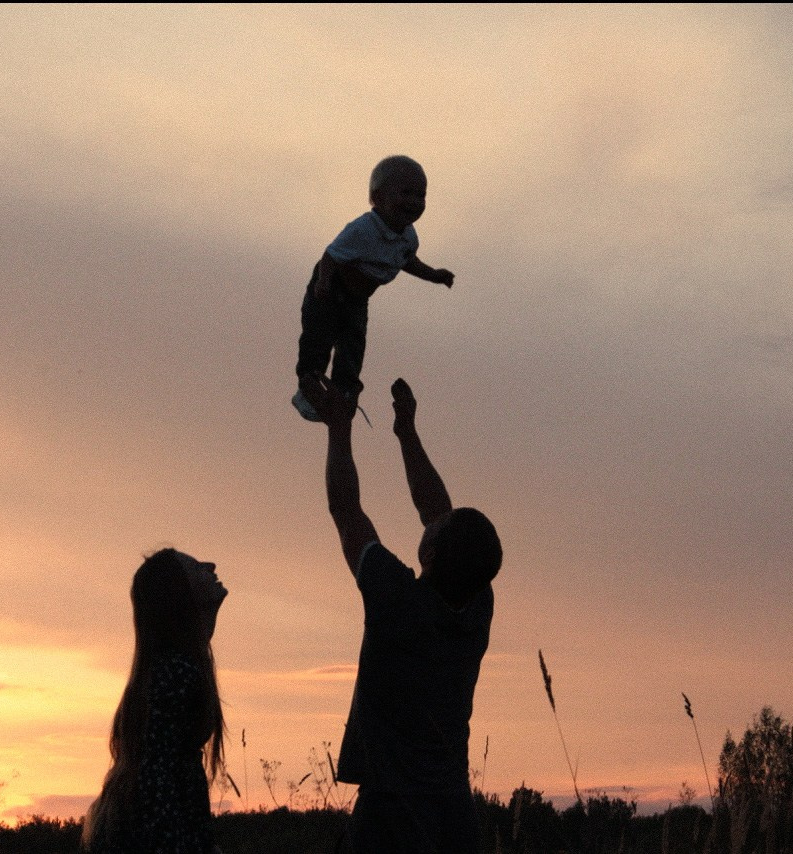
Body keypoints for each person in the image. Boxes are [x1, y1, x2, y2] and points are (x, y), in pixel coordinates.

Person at [300, 374, 503, 853]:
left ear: (429, 553)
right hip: (453, 814)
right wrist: (406, 432)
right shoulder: (477, 607)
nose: (435, 519)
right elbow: (438, 514)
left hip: (390, 815)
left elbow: (345, 509)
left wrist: (339, 428)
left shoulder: (395, 598)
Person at [81, 548, 228, 854]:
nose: (210, 565)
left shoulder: (170, 669)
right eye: (195, 567)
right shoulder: (178, 673)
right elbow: (159, 788)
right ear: (179, 595)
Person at [292, 155, 455, 423]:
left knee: (353, 345)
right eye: (405, 193)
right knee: (318, 337)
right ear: (378, 198)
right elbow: (331, 255)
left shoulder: (408, 237)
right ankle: (309, 390)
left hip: (357, 299)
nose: (414, 202)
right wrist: (322, 282)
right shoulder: (363, 229)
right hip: (332, 287)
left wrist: (434, 275)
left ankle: (344, 393)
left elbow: (407, 261)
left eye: (421, 195)